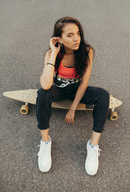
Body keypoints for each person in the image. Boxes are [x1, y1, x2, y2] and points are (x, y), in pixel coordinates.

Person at [36, 16, 110, 176]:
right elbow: (45, 84)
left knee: (103, 95)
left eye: (77, 33)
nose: (76, 38)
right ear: (59, 38)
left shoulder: (87, 51)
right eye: (69, 35)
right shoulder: (51, 53)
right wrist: (54, 53)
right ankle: (45, 141)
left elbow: (84, 83)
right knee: (42, 93)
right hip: (58, 89)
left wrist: (73, 108)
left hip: (78, 90)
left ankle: (93, 145)